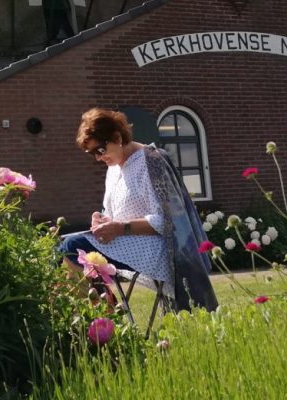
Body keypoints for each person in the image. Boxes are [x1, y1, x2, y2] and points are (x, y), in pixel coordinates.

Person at [59, 108, 218, 312]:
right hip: (123, 243)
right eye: (92, 154)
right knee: (62, 247)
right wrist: (102, 220)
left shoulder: (152, 161)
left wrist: (120, 228)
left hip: (157, 249)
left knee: (73, 246)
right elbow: (114, 213)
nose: (98, 158)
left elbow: (167, 221)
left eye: (100, 150)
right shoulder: (113, 168)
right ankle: (102, 316)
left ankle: (105, 318)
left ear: (117, 137)